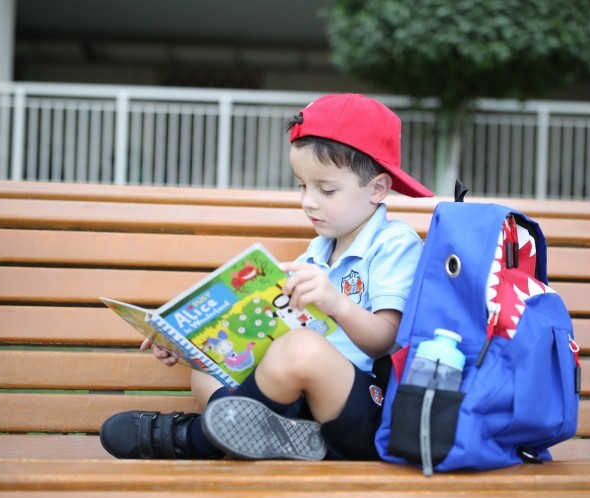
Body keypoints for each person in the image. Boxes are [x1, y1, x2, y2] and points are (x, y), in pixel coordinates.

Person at [99, 93, 433, 461]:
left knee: (301, 348)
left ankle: (195, 440)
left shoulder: (393, 243)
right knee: (205, 375)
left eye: (326, 189)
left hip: (360, 409)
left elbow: (386, 341)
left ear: (378, 188)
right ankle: (285, 438)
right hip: (299, 408)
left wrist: (335, 303)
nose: (308, 201)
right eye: (302, 186)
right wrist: (190, 346)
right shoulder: (317, 251)